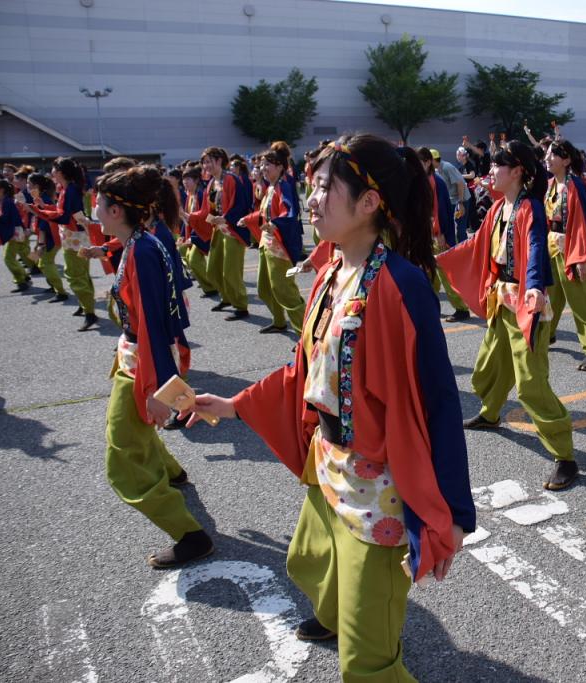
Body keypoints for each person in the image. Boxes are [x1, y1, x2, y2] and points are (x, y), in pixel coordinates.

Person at [183, 135, 474, 680]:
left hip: (379, 488)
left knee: (367, 664)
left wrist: (454, 513)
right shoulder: (331, 272)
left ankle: (366, 637)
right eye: (312, 186)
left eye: (323, 188)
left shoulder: (402, 285)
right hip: (328, 465)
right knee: (307, 561)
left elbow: (437, 400)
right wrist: (235, 404)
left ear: (369, 203)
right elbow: (305, 369)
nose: (310, 200)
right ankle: (343, 615)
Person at [438, 141, 579, 490]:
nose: (491, 171)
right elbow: (476, 244)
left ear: (517, 171)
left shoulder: (531, 208)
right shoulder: (500, 207)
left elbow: (535, 248)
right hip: (501, 300)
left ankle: (565, 456)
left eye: (497, 165)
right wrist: (439, 258)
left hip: (527, 304)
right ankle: (490, 413)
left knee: (531, 385)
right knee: (489, 366)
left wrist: (535, 286)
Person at [93, 165, 214, 568]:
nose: (94, 209)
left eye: (99, 203)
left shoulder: (142, 250)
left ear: (115, 211)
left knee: (123, 456)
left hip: (142, 362)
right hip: (137, 355)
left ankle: (190, 535)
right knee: (132, 434)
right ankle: (172, 473)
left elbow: (153, 327)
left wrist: (157, 390)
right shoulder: (141, 241)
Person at [543, 140, 586, 370]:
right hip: (550, 247)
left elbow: (582, 224)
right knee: (549, 298)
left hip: (571, 248)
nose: (547, 158)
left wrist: (580, 258)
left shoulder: (575, 185)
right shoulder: (549, 184)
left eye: (552, 155)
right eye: (547, 154)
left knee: (581, 301)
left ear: (566, 160)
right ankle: (547, 335)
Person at [241, 142, 307, 334]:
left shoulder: (284, 185)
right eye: (261, 165)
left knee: (285, 291)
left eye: (267, 164)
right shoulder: (272, 187)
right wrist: (248, 219)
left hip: (280, 248)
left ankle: (306, 333)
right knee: (264, 289)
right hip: (267, 244)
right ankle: (279, 321)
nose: (263, 168)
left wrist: (276, 224)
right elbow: (264, 214)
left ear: (279, 167)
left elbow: (289, 212)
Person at [27, 157, 99, 330]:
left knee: (75, 275)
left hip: (74, 237)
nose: (51, 172)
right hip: (75, 236)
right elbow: (63, 212)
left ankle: (90, 312)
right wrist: (43, 207)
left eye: (53, 169)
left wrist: (38, 210)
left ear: (60, 172)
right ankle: (85, 306)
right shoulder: (68, 188)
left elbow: (64, 217)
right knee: (81, 274)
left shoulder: (70, 190)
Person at [189, 147, 253, 320]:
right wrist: (190, 217)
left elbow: (241, 205)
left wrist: (225, 218)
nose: (205, 165)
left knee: (231, 272)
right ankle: (227, 298)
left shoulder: (231, 179)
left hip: (233, 230)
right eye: (204, 162)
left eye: (208, 161)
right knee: (212, 269)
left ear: (219, 161)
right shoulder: (211, 183)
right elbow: (207, 210)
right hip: (218, 229)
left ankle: (241, 306)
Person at [418, 148, 472, 323]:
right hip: (430, 234)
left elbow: (439, 210)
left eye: (419, 162)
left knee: (444, 274)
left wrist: (440, 233)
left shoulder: (436, 181)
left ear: (428, 162)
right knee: (430, 273)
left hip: (438, 235)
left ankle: (461, 309)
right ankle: (430, 306)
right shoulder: (426, 180)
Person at [0, 178, 32, 292]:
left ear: (1, 190)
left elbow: (4, 219)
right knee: (22, 254)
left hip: (14, 233)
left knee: (8, 259)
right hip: (16, 232)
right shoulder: (5, 200)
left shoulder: (6, 201)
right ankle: (26, 274)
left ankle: (22, 280)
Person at [25, 172, 68, 300]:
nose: (27, 186)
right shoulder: (39, 198)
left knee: (45, 263)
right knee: (38, 260)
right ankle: (53, 285)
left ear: (36, 186)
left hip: (51, 238)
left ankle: (61, 292)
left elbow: (45, 223)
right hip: (46, 237)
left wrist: (41, 244)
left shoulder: (44, 200)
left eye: (29, 184)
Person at [178, 166, 218, 298]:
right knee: (187, 255)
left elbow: (204, 216)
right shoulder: (190, 196)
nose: (185, 182)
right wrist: (183, 236)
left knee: (193, 259)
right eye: (183, 179)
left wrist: (192, 236)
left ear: (196, 180)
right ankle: (209, 285)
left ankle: (211, 286)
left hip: (204, 231)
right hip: (195, 232)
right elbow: (187, 220)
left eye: (188, 179)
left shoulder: (201, 195)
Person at [432, 149, 469, 243]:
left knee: (460, 229)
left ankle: (464, 249)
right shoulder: (437, 169)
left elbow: (460, 183)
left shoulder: (446, 167)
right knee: (453, 227)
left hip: (462, 200)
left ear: (433, 160)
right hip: (454, 200)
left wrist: (460, 203)